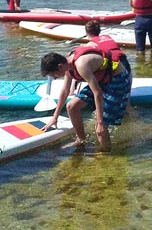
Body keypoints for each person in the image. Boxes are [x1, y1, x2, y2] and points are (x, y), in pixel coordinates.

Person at [40, 20, 132, 151]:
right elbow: (65, 91)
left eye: (53, 75)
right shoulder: (67, 66)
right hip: (102, 79)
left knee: (100, 127)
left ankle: (105, 156)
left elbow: (98, 93)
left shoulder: (81, 65)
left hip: (117, 79)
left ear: (60, 67)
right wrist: (55, 117)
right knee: (71, 106)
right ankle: (81, 140)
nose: (54, 78)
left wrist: (100, 121)